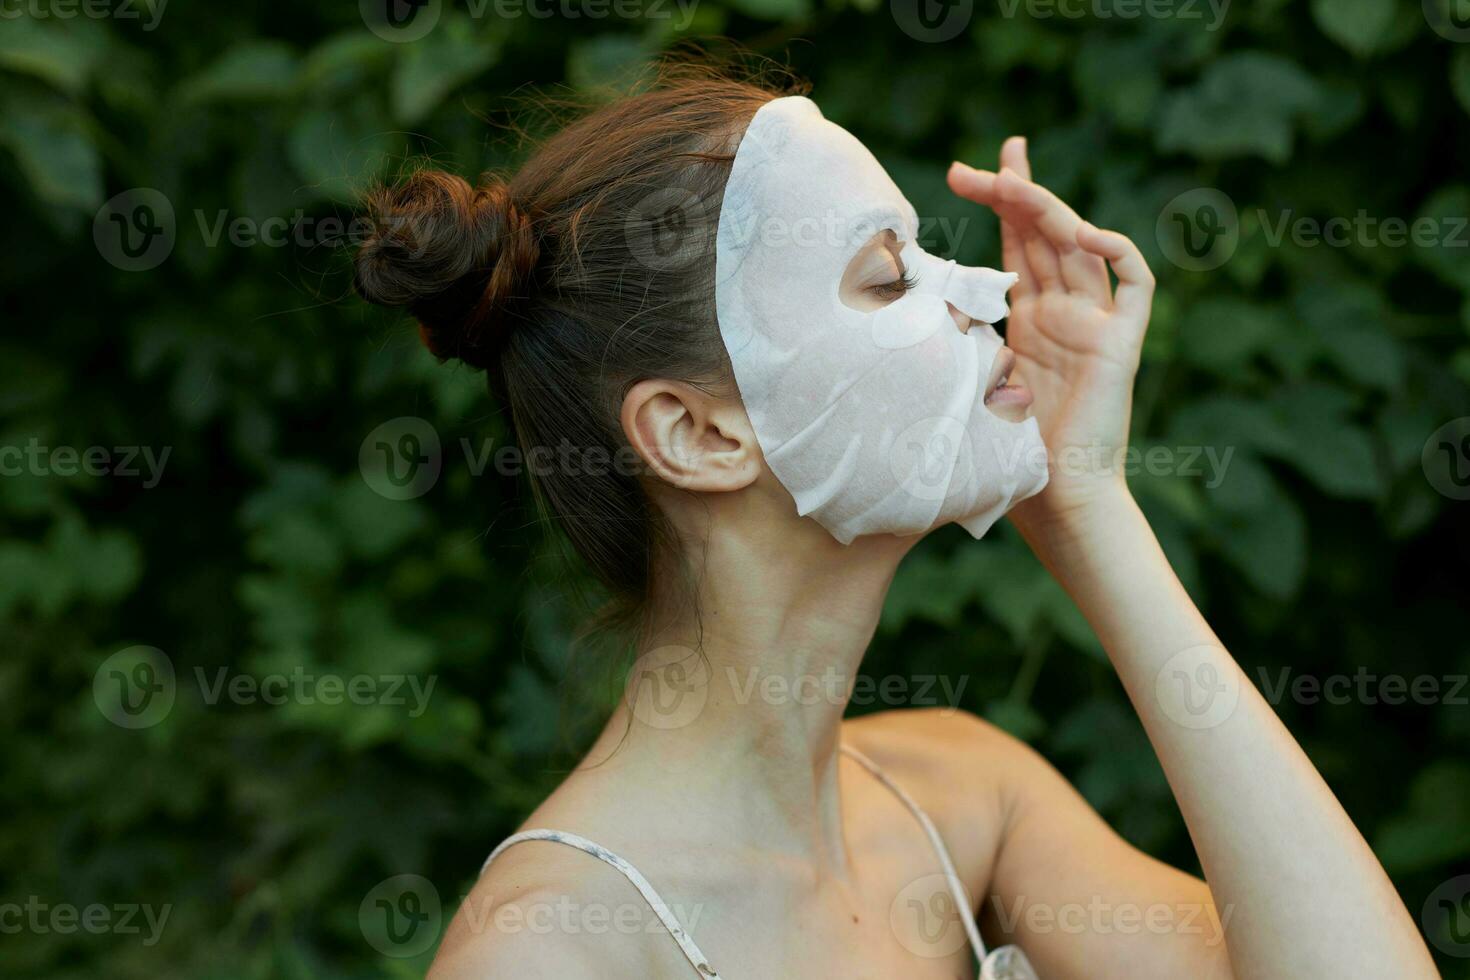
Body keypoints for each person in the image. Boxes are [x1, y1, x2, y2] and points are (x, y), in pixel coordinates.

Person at [353, 65, 1437, 979]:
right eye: (885, 276)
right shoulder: (550, 945)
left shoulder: (961, 791)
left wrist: (1087, 505)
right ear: (698, 433)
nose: (976, 289)